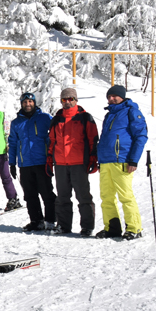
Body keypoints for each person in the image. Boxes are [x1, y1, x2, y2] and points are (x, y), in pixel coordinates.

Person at [96, 85, 148, 240]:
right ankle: (112, 228)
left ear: (122, 96)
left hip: (122, 161)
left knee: (125, 196)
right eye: (109, 96)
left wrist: (133, 160)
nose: (111, 98)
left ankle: (134, 228)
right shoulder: (109, 114)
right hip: (106, 161)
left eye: (114, 96)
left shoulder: (132, 111)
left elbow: (141, 136)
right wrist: (100, 159)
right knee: (106, 196)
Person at [47, 87, 99, 235]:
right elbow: (52, 141)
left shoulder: (85, 117)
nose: (67, 102)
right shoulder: (56, 119)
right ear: (61, 101)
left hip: (79, 163)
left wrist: (93, 159)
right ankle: (63, 226)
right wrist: (50, 160)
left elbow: (93, 140)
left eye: (71, 99)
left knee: (83, 196)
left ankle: (87, 227)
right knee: (62, 197)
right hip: (61, 164)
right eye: (64, 99)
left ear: (76, 100)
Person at [8, 92, 57, 231]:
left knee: (47, 193)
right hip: (25, 164)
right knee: (30, 195)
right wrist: (12, 163)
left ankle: (51, 221)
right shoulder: (16, 123)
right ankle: (36, 221)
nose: (27, 104)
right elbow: (13, 143)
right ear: (21, 104)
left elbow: (54, 135)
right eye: (25, 102)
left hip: (42, 162)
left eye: (30, 102)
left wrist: (53, 156)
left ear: (34, 103)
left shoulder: (44, 118)